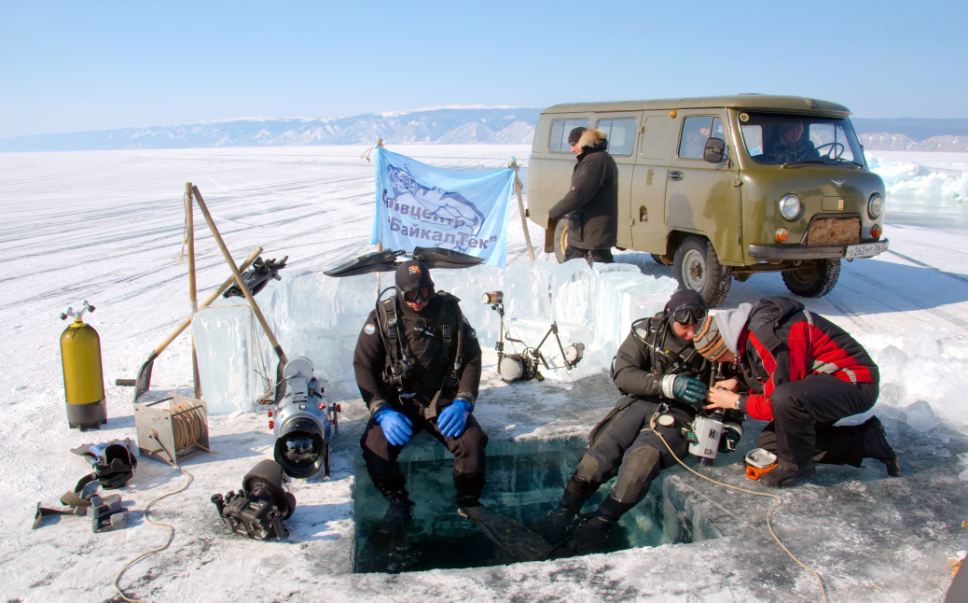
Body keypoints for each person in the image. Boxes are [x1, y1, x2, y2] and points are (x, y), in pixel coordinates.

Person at [536, 289, 741, 555]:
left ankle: (600, 522)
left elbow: (738, 383)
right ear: (669, 317)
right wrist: (665, 383)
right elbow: (623, 373)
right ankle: (564, 510)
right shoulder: (648, 333)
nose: (690, 334)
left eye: (696, 326)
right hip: (643, 399)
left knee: (642, 458)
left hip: (682, 413)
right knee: (602, 451)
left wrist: (733, 424)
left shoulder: (716, 341)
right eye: (683, 326)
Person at [693, 296, 901, 488]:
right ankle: (865, 441)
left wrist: (736, 402)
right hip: (819, 385)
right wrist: (738, 382)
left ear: (723, 346)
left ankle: (796, 468)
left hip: (854, 380)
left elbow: (778, 402)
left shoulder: (767, 335)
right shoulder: (748, 333)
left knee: (785, 400)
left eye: (722, 358)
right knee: (772, 444)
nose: (727, 363)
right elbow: (770, 376)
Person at [354, 259, 488, 526]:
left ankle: (468, 502)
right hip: (398, 404)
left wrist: (463, 401)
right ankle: (398, 500)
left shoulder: (449, 312)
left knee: (473, 442)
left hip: (441, 402)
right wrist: (380, 410)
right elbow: (363, 364)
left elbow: (472, 357)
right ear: (399, 292)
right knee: (374, 448)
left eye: (425, 292)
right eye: (411, 294)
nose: (419, 300)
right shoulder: (383, 317)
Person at [548, 127, 618, 265]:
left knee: (596, 273)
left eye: (574, 144)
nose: (572, 149)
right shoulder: (597, 159)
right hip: (585, 233)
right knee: (572, 270)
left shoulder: (595, 161)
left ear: (584, 141)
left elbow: (580, 193)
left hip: (592, 235)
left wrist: (556, 211)